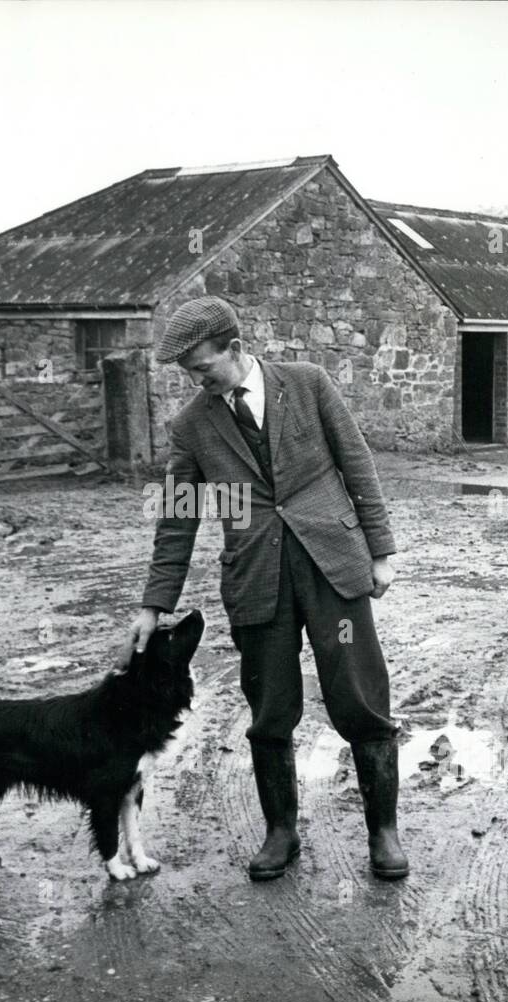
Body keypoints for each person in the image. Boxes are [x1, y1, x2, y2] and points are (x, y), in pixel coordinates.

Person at [118, 296, 408, 881]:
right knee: (270, 710)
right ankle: (281, 832)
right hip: (256, 581)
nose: (198, 381)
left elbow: (358, 466)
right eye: (189, 374)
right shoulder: (193, 425)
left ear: (235, 347)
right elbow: (177, 519)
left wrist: (381, 551)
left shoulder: (309, 384)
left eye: (204, 367)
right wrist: (154, 605)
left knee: (360, 700)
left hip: (334, 570)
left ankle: (383, 833)